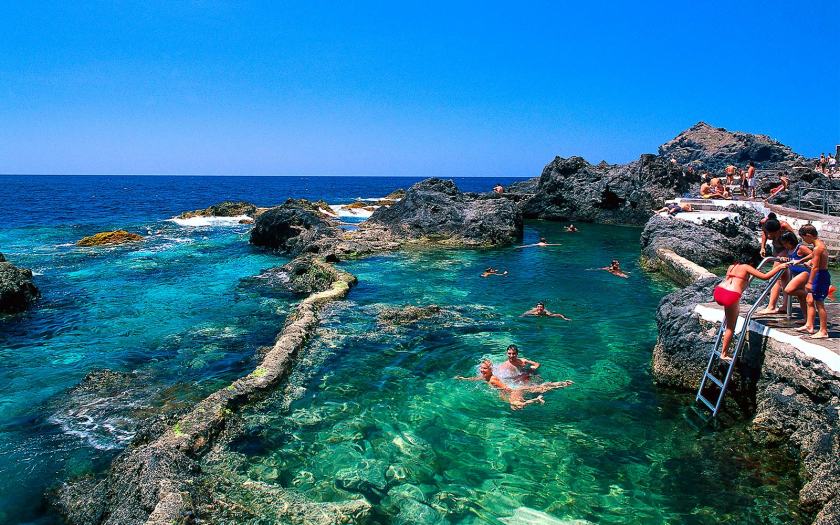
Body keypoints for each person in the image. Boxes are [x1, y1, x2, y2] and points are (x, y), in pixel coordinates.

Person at [713, 256, 791, 361]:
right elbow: (765, 277)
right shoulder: (747, 267)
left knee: (729, 318)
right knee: (731, 327)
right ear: (751, 262)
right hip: (731, 295)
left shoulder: (732, 266)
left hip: (719, 291)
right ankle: (724, 353)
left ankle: (723, 351)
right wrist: (779, 267)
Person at [457, 360, 573, 410]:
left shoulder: (493, 380)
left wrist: (510, 396)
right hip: (514, 388)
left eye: (484, 368)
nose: (482, 370)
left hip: (513, 390)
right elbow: (476, 378)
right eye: (481, 368)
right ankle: (563, 383)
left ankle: (537, 399)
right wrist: (464, 379)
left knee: (515, 405)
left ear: (490, 369)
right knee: (538, 388)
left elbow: (507, 388)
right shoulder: (485, 376)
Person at [798, 225, 832, 339]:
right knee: (809, 299)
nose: (804, 240)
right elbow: (813, 256)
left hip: (820, 276)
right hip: (820, 275)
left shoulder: (818, 248)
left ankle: (823, 331)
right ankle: (809, 325)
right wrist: (801, 260)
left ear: (808, 235)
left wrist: (810, 282)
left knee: (819, 303)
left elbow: (815, 267)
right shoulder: (819, 244)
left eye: (803, 238)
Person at [778, 232, 813, 322]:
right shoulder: (788, 250)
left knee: (788, 290)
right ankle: (806, 319)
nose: (784, 245)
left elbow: (813, 255)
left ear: (790, 241)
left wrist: (806, 262)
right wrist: (783, 259)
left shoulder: (800, 248)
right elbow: (788, 258)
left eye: (785, 243)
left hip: (804, 273)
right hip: (797, 274)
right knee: (801, 298)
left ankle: (813, 296)